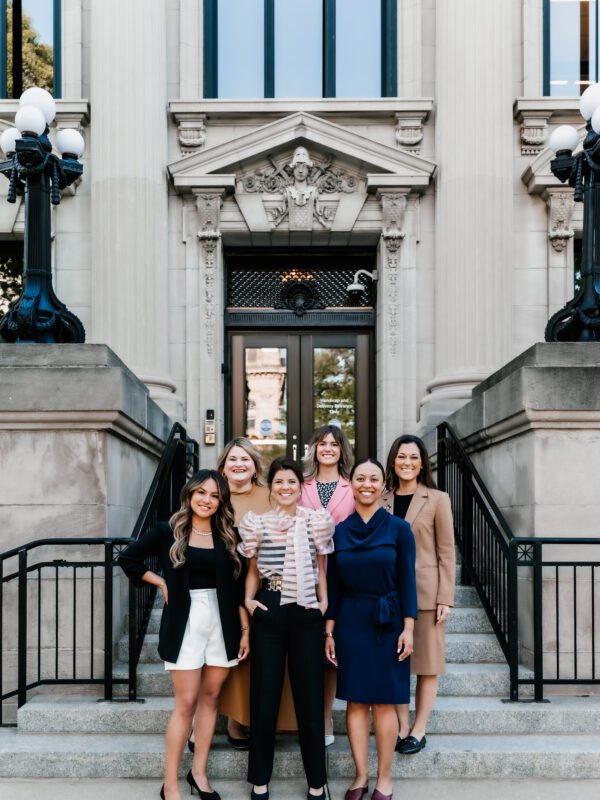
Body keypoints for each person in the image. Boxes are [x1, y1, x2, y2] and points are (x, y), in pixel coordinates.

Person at [117, 470, 249, 800]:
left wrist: (245, 629)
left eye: (215, 495)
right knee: (186, 703)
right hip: (185, 622)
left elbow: (238, 585)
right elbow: (128, 558)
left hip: (223, 621)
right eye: (201, 493)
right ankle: (171, 784)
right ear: (190, 495)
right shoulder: (168, 532)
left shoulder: (229, 535)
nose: (207, 500)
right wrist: (160, 582)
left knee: (210, 700)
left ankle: (199, 773)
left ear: (222, 501)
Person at [240, 457, 334, 800]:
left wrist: (323, 607)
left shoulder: (316, 522)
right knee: (264, 696)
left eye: (291, 482)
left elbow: (322, 569)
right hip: (270, 607)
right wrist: (249, 601)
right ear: (271, 487)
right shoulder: (257, 524)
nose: (285, 488)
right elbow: (252, 570)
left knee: (310, 698)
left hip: (307, 610)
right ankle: (260, 779)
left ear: (300, 487)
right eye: (278, 482)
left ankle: (317, 782)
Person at [325, 458, 417, 800]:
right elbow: (333, 584)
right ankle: (360, 777)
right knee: (356, 703)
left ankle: (385, 779)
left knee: (384, 703)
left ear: (383, 484)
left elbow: (408, 580)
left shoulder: (399, 529)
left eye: (373, 478)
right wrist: (330, 631)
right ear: (351, 484)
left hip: (389, 619)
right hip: (350, 621)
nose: (366, 483)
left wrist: (409, 628)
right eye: (360, 478)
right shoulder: (340, 530)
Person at [215, 437, 298, 749]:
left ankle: (241, 722)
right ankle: (217, 720)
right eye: (233, 459)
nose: (239, 464)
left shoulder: (269, 496)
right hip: (219, 584)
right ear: (223, 466)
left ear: (255, 465)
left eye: (245, 459)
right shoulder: (213, 494)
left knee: (252, 659)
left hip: (258, 585)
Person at [381, 435, 455, 755]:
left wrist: (445, 597)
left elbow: (446, 552)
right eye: (401, 457)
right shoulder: (381, 499)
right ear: (393, 462)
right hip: (388, 595)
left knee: (426, 665)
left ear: (422, 462)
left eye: (413, 457)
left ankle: (419, 728)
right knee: (394, 664)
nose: (407, 463)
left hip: (426, 594)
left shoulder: (438, 499)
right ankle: (401, 725)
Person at [299, 424, 355, 746]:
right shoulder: (302, 485)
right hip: (304, 576)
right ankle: (304, 716)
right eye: (322, 444)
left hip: (342, 576)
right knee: (308, 650)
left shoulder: (351, 486)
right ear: (314, 449)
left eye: (334, 444)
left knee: (331, 652)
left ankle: (325, 718)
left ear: (341, 449)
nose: (328, 449)